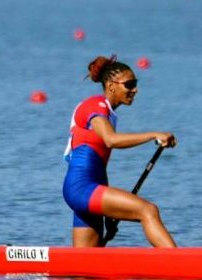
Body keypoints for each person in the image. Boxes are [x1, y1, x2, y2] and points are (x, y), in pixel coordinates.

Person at [63, 55, 177, 248]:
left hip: (87, 189)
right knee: (147, 210)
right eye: (130, 84)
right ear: (111, 85)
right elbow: (111, 140)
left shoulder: (108, 114)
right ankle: (179, 263)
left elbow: (99, 165)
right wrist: (153, 135)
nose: (135, 90)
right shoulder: (95, 105)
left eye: (136, 84)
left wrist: (110, 214)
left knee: (86, 268)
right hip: (81, 189)